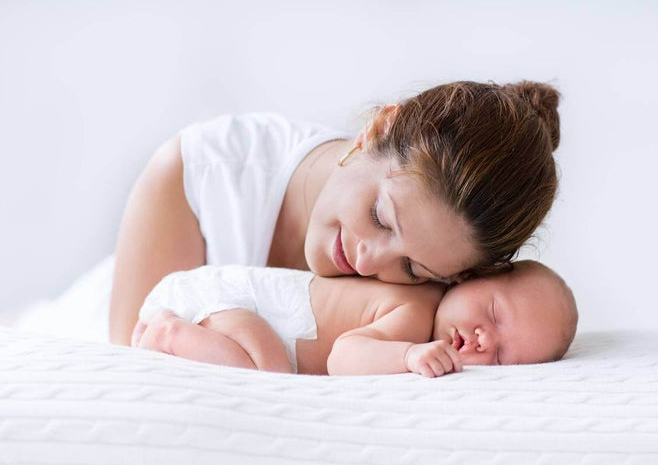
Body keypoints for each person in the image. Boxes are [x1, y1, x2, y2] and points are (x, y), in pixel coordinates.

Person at [110, 80, 561, 346]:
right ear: (377, 129)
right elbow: (136, 354)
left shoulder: (433, 292)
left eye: (411, 267)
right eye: (381, 217)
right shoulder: (200, 172)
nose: (367, 262)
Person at [132, 260, 578, 376]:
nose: (483, 340)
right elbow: (343, 356)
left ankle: (168, 330)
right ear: (474, 275)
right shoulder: (417, 308)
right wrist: (407, 356)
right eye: (495, 314)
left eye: (501, 356)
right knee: (268, 374)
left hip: (220, 300)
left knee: (267, 367)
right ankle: (168, 334)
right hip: (227, 301)